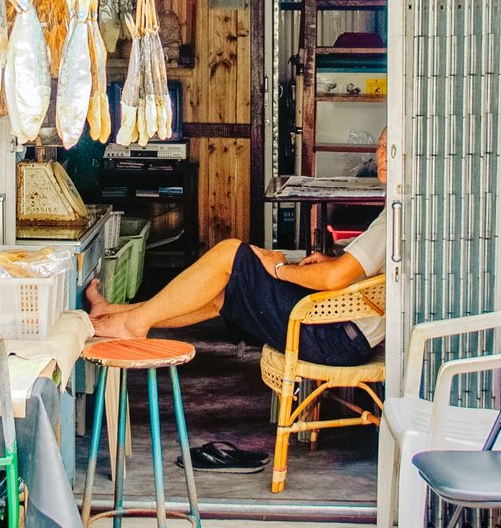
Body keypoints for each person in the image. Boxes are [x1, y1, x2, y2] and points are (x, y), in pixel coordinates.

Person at [86, 130, 388, 365]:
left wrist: (281, 270)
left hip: (335, 336)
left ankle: (133, 324)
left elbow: (335, 279)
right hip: (339, 331)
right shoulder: (397, 209)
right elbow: (345, 272)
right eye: (381, 146)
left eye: (392, 148)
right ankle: (116, 314)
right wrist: (329, 260)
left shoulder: (394, 220)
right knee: (221, 292)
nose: (384, 155)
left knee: (231, 252)